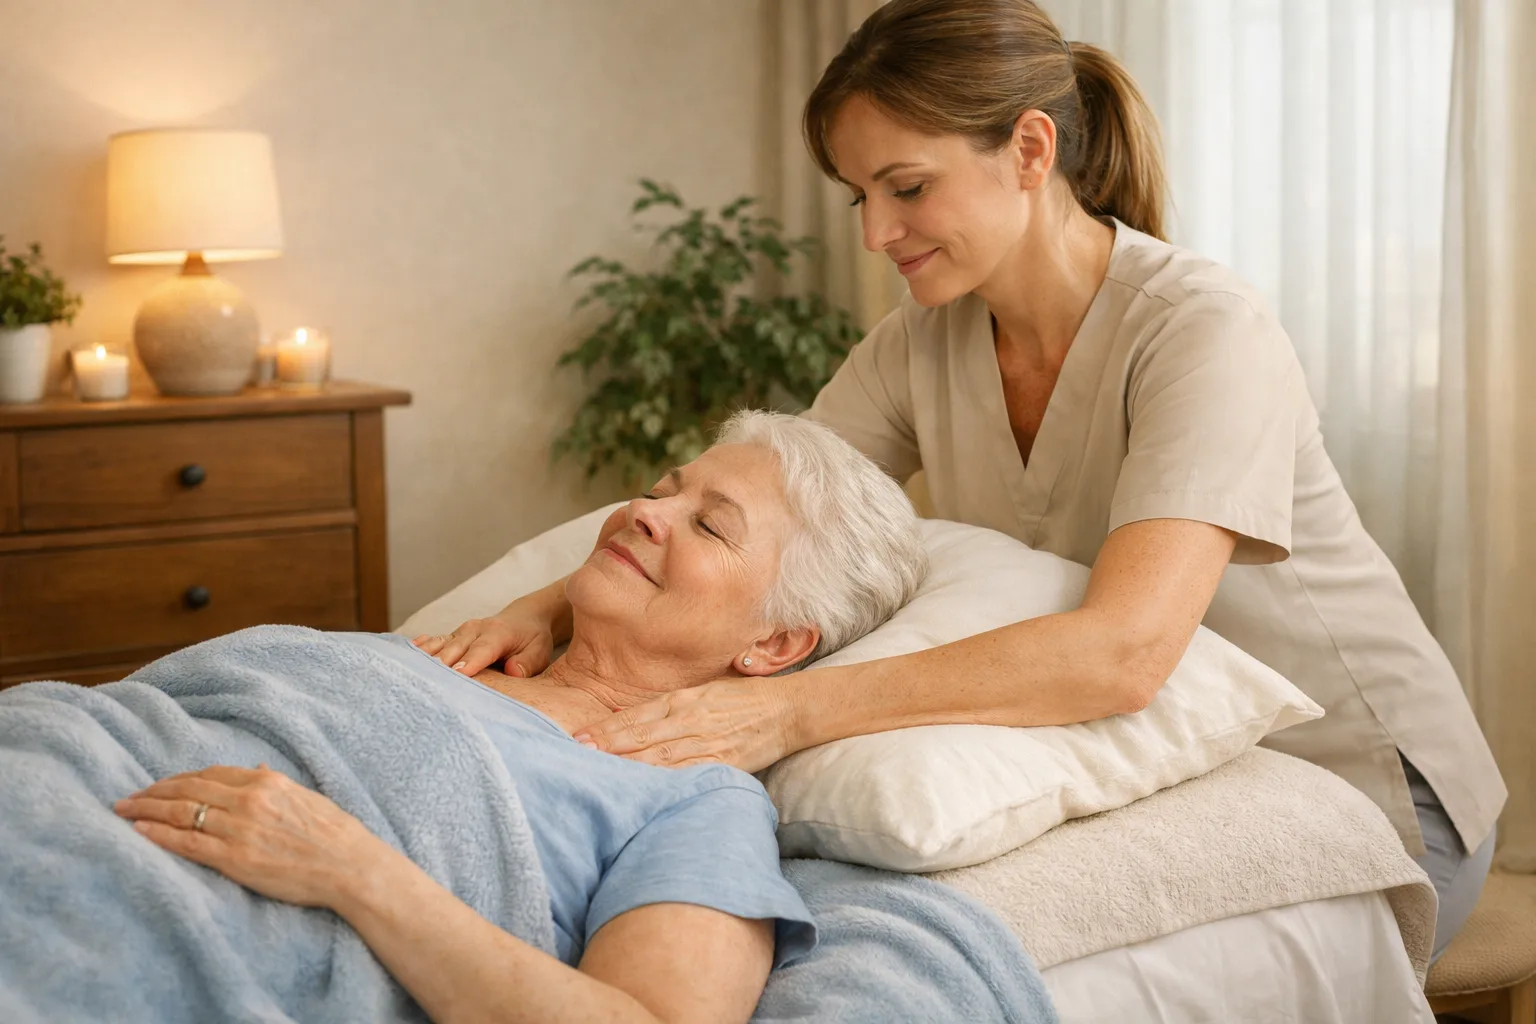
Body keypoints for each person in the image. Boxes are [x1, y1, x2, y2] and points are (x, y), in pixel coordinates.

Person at [427, 0, 1504, 961]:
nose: (875, 233)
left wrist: (784, 716)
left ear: (1030, 150)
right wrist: (551, 599)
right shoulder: (921, 343)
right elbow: (764, 515)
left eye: (906, 187)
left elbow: (1125, 654)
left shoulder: (1201, 333)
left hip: (1363, 786)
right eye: (859, 195)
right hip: (1142, 761)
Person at [38, 410, 925, 1023]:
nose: (646, 512)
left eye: (710, 526)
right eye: (663, 487)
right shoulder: (454, 651)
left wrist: (353, 870)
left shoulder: (693, 801)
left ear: (773, 648)